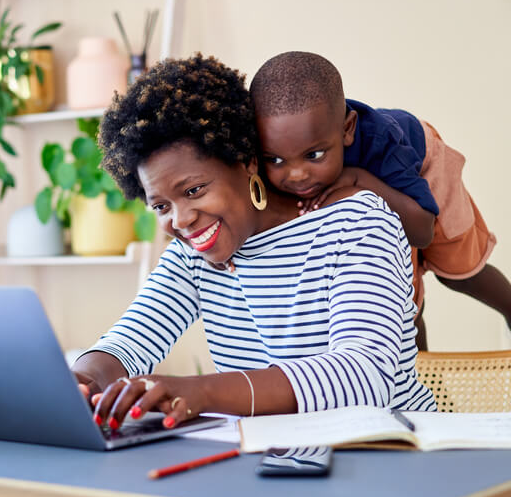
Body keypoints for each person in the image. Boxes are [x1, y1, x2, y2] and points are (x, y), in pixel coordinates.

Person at [72, 54, 436, 432]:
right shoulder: (193, 255)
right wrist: (81, 383)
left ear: (245, 161)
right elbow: (129, 341)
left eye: (194, 190)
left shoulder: (356, 222)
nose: (180, 220)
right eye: (161, 205)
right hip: (276, 460)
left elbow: (363, 376)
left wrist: (203, 392)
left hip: (390, 451)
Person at [248, 51, 511, 352]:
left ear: (347, 130)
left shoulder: (384, 143)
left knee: (458, 272)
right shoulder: (270, 154)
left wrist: (359, 180)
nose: (297, 175)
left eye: (313, 155)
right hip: (369, 188)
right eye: (275, 160)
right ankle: (422, 391)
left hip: (419, 170)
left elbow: (422, 231)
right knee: (400, 305)